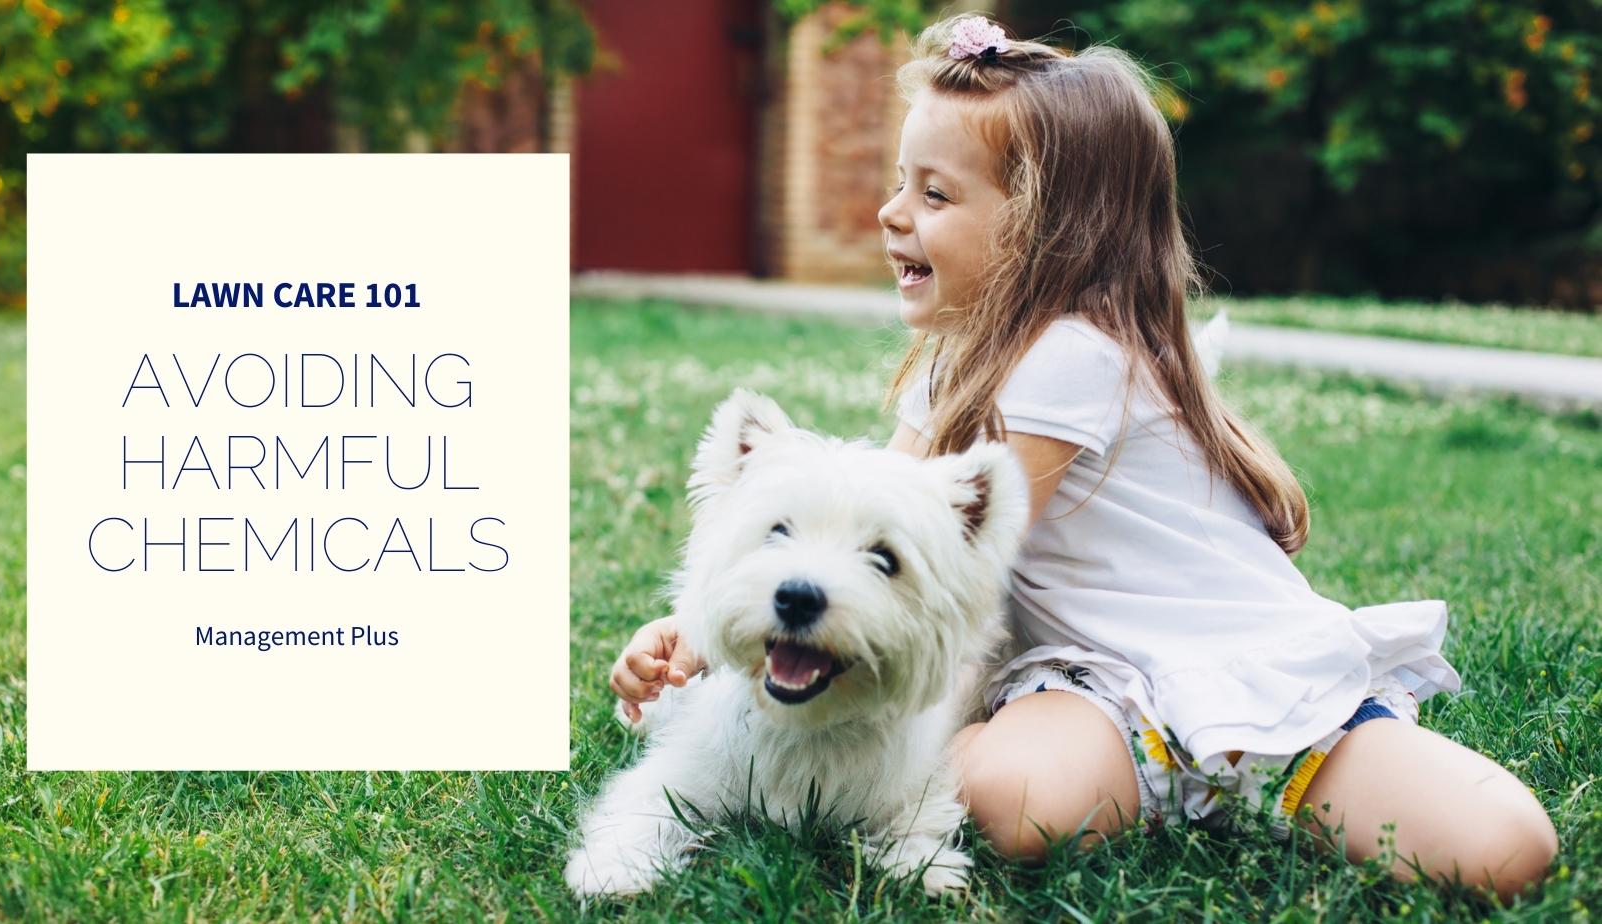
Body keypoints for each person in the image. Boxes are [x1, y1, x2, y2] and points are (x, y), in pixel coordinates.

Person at [605, 12, 1558, 903]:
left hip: (1240, 666)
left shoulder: (1073, 357)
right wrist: (694, 637)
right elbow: (861, 525)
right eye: (902, 182)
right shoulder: (955, 366)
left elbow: (939, 571)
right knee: (1012, 804)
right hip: (1100, 691)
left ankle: (1271, 775)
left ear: (1044, 226)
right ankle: (1166, 782)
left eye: (934, 193)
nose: (893, 213)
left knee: (1507, 850)